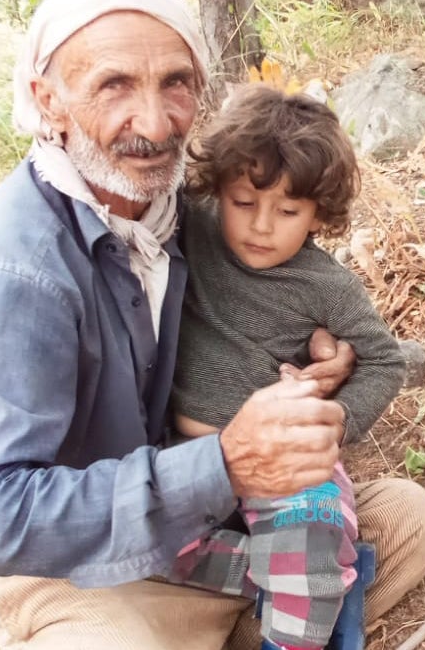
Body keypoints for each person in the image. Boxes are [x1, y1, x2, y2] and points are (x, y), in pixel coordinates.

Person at [0, 0, 425, 650]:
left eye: (175, 82)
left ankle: (264, 610)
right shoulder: (11, 271)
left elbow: (285, 300)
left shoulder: (184, 209)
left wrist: (321, 364)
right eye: (114, 85)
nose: (154, 122)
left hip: (219, 524)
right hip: (87, 569)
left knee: (404, 519)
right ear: (48, 100)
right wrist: (223, 463)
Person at [168, 84, 407, 650]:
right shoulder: (192, 227)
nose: (261, 226)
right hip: (188, 459)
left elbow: (383, 359)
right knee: (147, 542)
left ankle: (297, 606)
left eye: (288, 211)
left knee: (313, 528)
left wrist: (337, 420)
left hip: (284, 453)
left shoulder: (327, 286)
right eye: (243, 203)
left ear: (320, 214)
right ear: (218, 190)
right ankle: (308, 575)